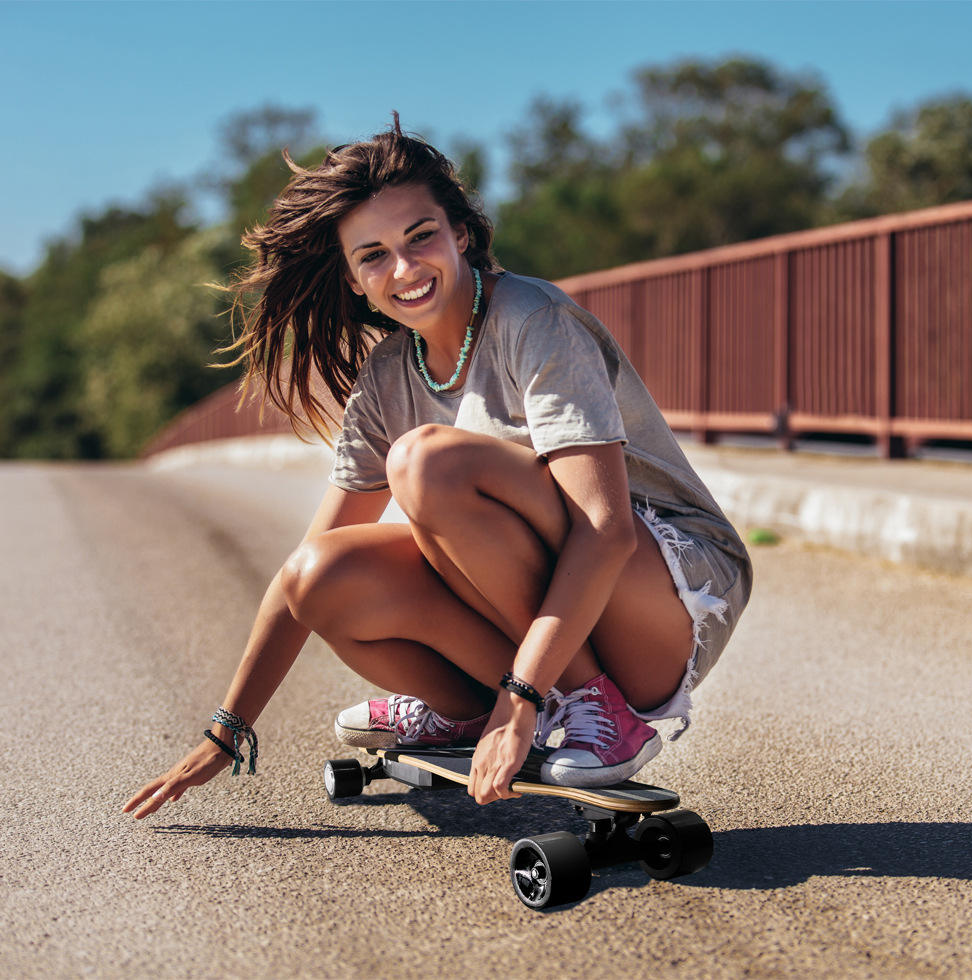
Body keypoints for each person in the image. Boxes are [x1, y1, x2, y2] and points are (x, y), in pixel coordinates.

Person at [124, 116, 751, 818]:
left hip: (660, 600)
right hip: (566, 616)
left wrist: (522, 699)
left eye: (420, 236)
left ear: (460, 232)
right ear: (356, 281)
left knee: (425, 463)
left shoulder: (532, 321)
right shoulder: (388, 377)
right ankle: (467, 710)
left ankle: (584, 706)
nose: (403, 269)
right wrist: (227, 729)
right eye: (373, 256)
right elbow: (303, 572)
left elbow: (605, 529)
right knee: (319, 575)